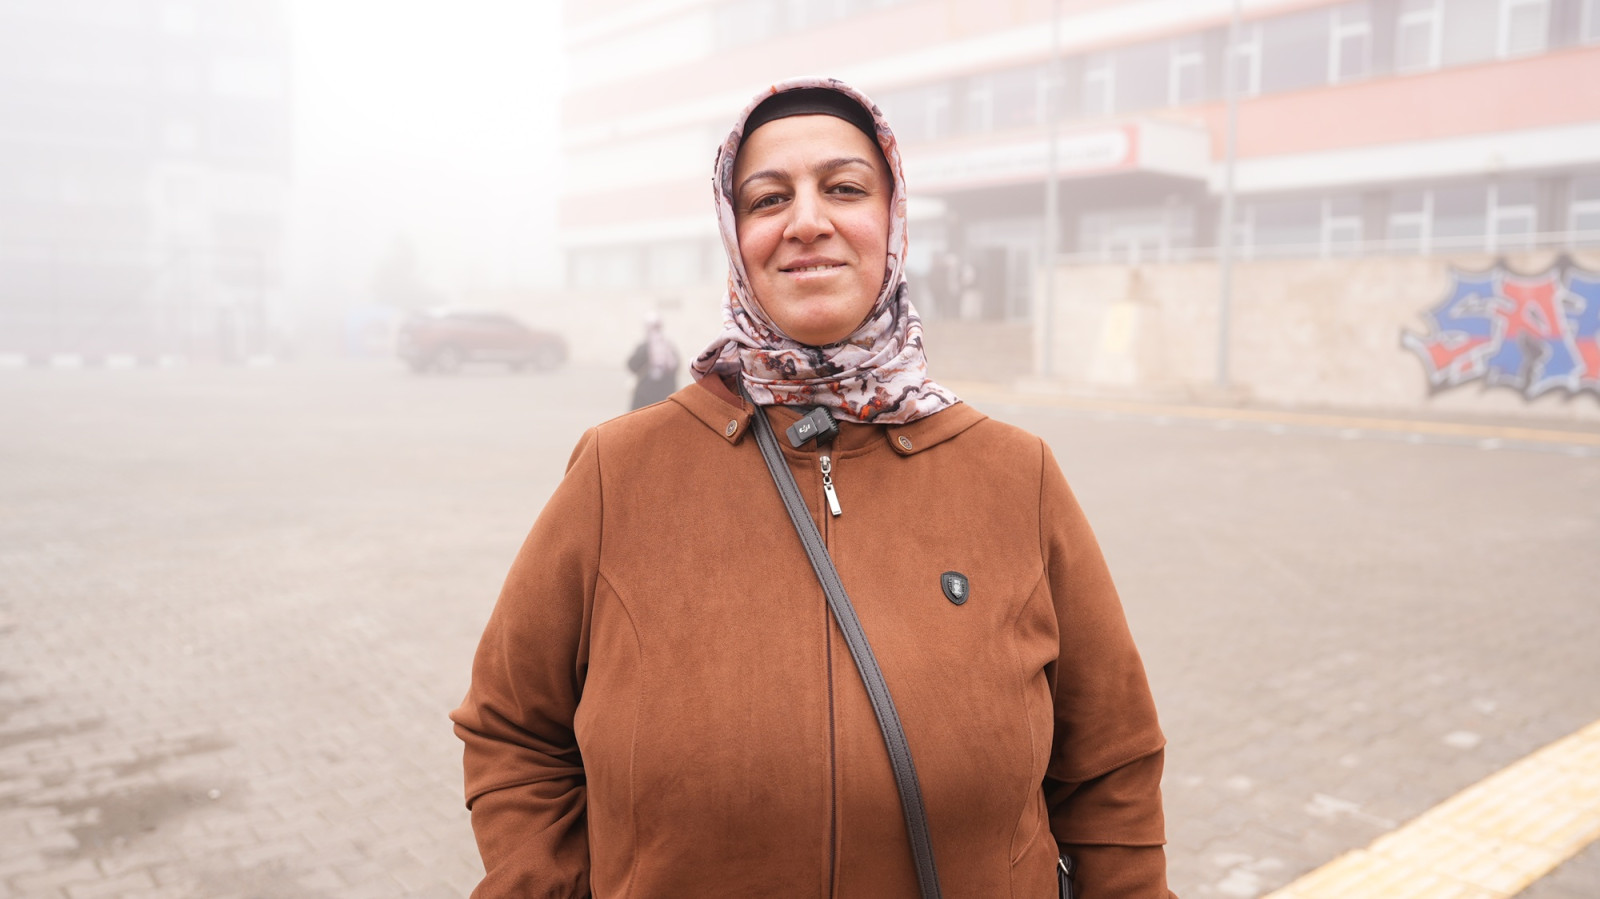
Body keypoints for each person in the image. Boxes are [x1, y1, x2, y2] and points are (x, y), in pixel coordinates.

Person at [451, 77, 1174, 898]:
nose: (806, 221)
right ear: (735, 235)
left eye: (844, 188)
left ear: (893, 218)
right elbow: (512, 727)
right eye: (768, 198)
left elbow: (1111, 763)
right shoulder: (619, 472)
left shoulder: (1016, 474)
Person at [626, 313, 680, 410]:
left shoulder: (644, 347)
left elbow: (631, 364)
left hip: (645, 395)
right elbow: (676, 366)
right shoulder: (669, 348)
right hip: (665, 396)